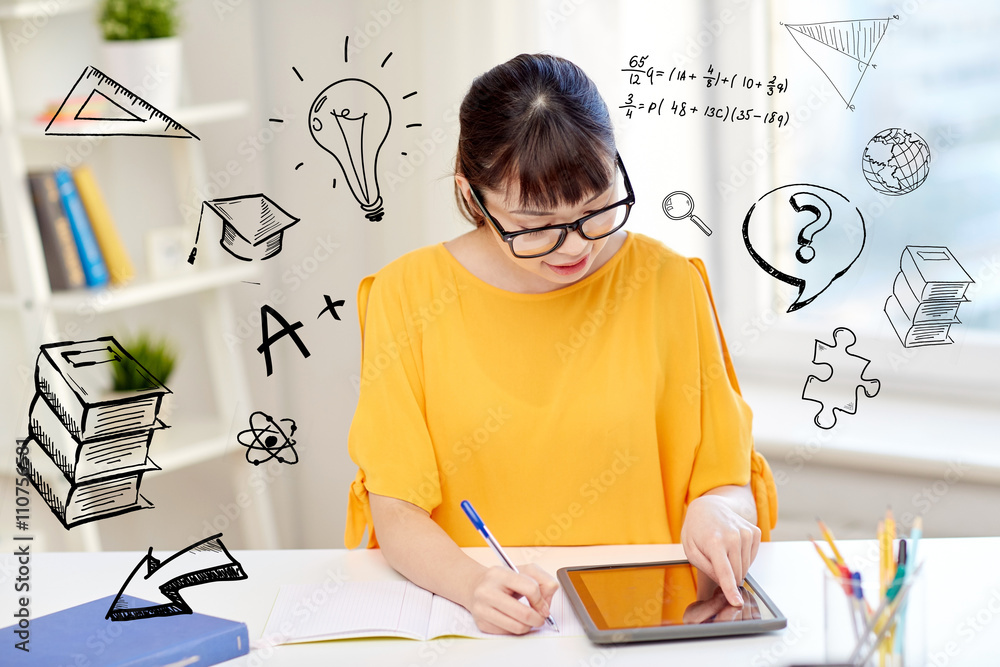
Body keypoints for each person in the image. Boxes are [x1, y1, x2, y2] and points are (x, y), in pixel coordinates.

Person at [345, 53, 777, 636]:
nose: (574, 246)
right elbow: (395, 510)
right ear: (472, 198)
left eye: (596, 208)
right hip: (475, 626)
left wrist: (719, 511)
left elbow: (725, 477)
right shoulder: (407, 295)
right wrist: (473, 584)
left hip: (642, 621)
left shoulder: (669, 284)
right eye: (535, 224)